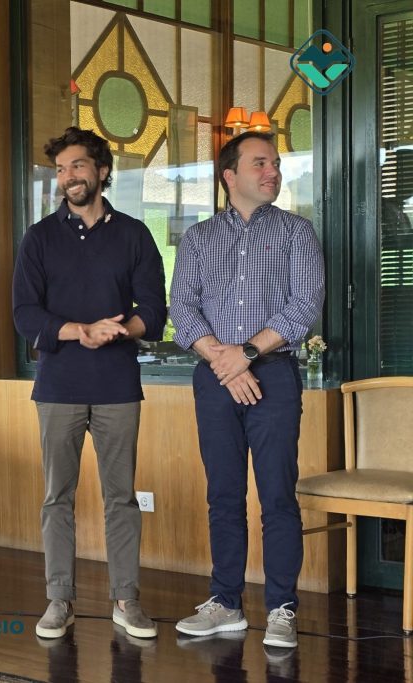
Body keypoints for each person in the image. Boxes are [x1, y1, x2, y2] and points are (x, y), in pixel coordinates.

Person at [170, 131, 325, 649]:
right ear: (230, 175)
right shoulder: (198, 238)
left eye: (275, 163)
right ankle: (226, 603)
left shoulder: (296, 232)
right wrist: (225, 360)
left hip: (274, 376)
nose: (272, 171)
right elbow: (181, 307)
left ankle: (282, 607)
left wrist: (248, 354)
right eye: (260, 163)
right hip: (215, 379)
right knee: (223, 495)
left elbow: (305, 304)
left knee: (277, 494)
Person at [12, 126, 166, 641]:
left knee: (121, 497)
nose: (68, 177)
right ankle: (60, 600)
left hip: (118, 385)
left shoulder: (134, 235)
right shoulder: (39, 238)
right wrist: (80, 331)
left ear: (101, 170)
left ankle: (126, 599)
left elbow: (154, 310)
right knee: (57, 496)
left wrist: (119, 330)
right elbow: (25, 314)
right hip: (58, 387)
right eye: (60, 169)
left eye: (77, 166)